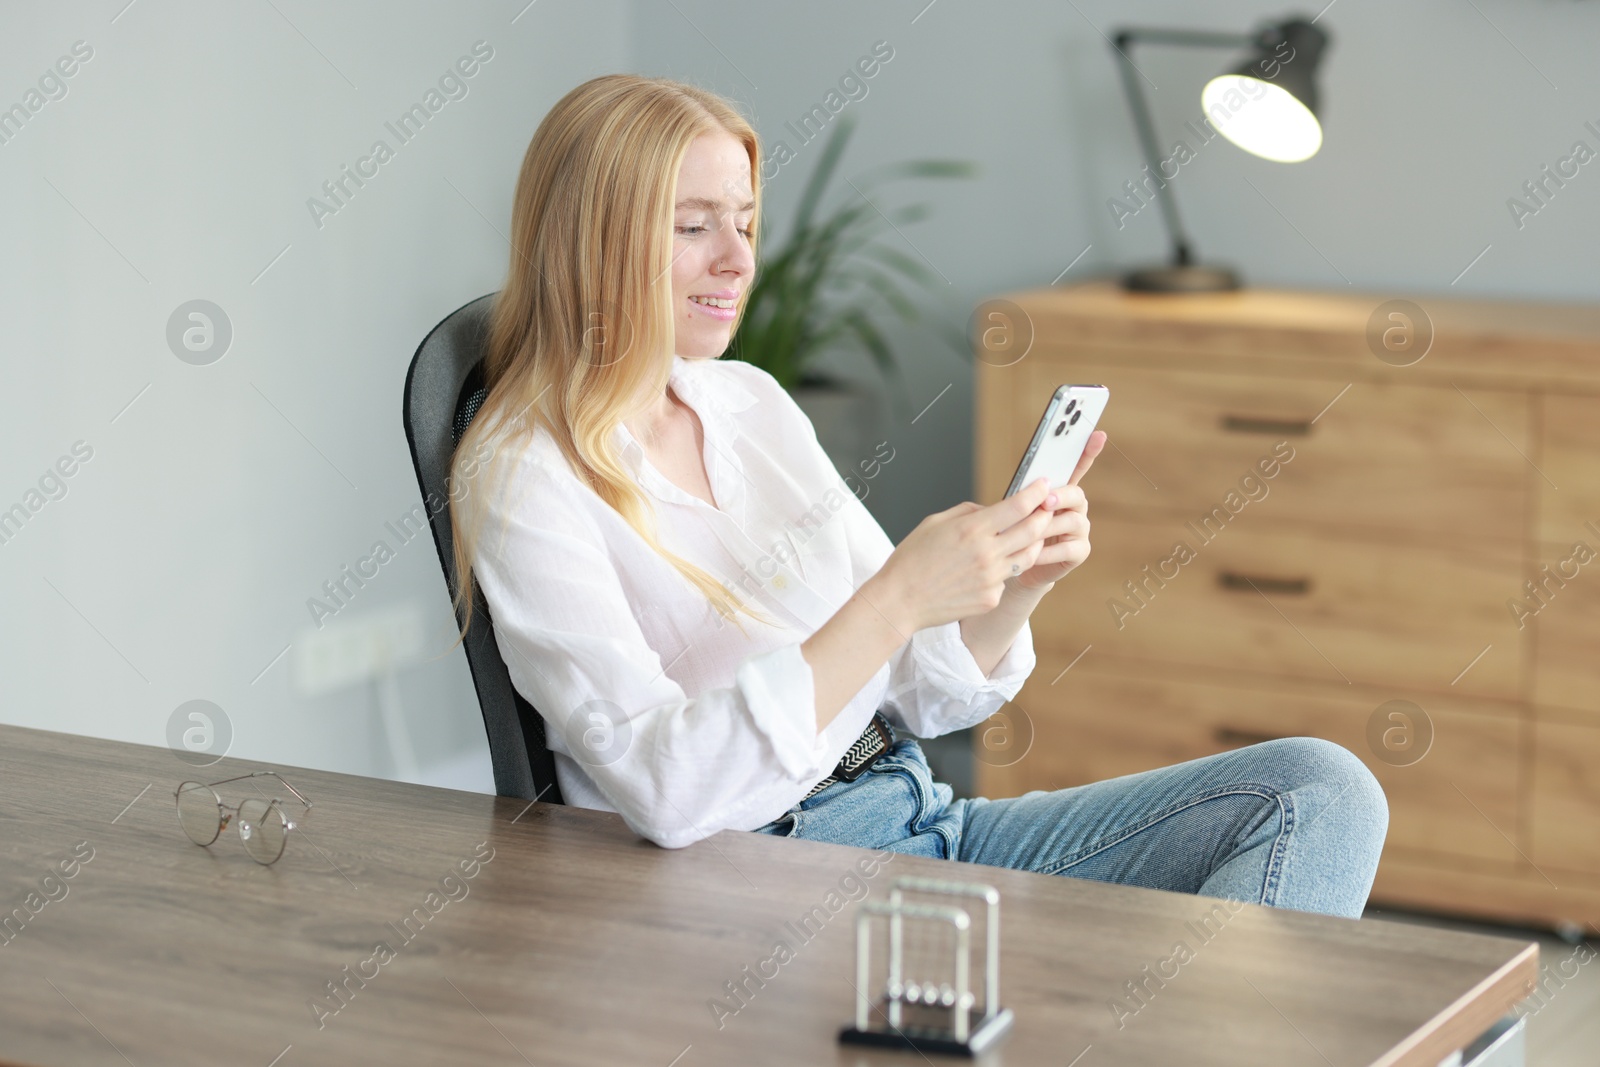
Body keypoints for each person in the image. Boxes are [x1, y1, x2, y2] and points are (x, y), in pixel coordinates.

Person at [448, 74, 1388, 920]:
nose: (737, 259)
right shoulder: (525, 474)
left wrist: (1010, 583)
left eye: (743, 219)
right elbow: (666, 788)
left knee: (1320, 790)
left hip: (921, 820)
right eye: (693, 227)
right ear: (590, 242)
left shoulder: (749, 404)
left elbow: (924, 693)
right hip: (767, 884)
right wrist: (897, 595)